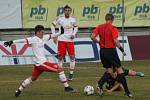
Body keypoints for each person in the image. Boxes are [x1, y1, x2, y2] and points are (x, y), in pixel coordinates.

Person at [4, 25, 75, 97]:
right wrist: (11, 42)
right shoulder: (33, 39)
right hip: (41, 63)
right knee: (60, 68)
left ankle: (19, 90)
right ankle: (67, 87)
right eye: (42, 32)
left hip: (38, 65)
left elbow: (52, 35)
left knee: (33, 78)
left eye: (43, 32)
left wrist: (60, 33)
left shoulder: (43, 38)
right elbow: (23, 40)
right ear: (37, 32)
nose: (43, 33)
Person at [91, 13, 133, 98]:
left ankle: (100, 85)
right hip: (111, 51)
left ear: (106, 19)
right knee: (120, 71)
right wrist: (122, 50)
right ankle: (127, 92)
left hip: (102, 51)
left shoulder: (99, 26)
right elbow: (115, 41)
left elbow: (92, 37)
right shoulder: (113, 28)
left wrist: (98, 42)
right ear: (112, 19)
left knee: (109, 71)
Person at [51, 5, 78, 81]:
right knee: (60, 57)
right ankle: (60, 74)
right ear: (64, 11)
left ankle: (71, 74)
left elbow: (76, 27)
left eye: (69, 10)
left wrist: (73, 34)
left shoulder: (73, 19)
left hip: (70, 41)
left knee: (72, 57)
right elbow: (52, 26)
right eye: (66, 10)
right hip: (61, 40)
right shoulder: (59, 18)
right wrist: (54, 35)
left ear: (70, 11)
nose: (67, 12)